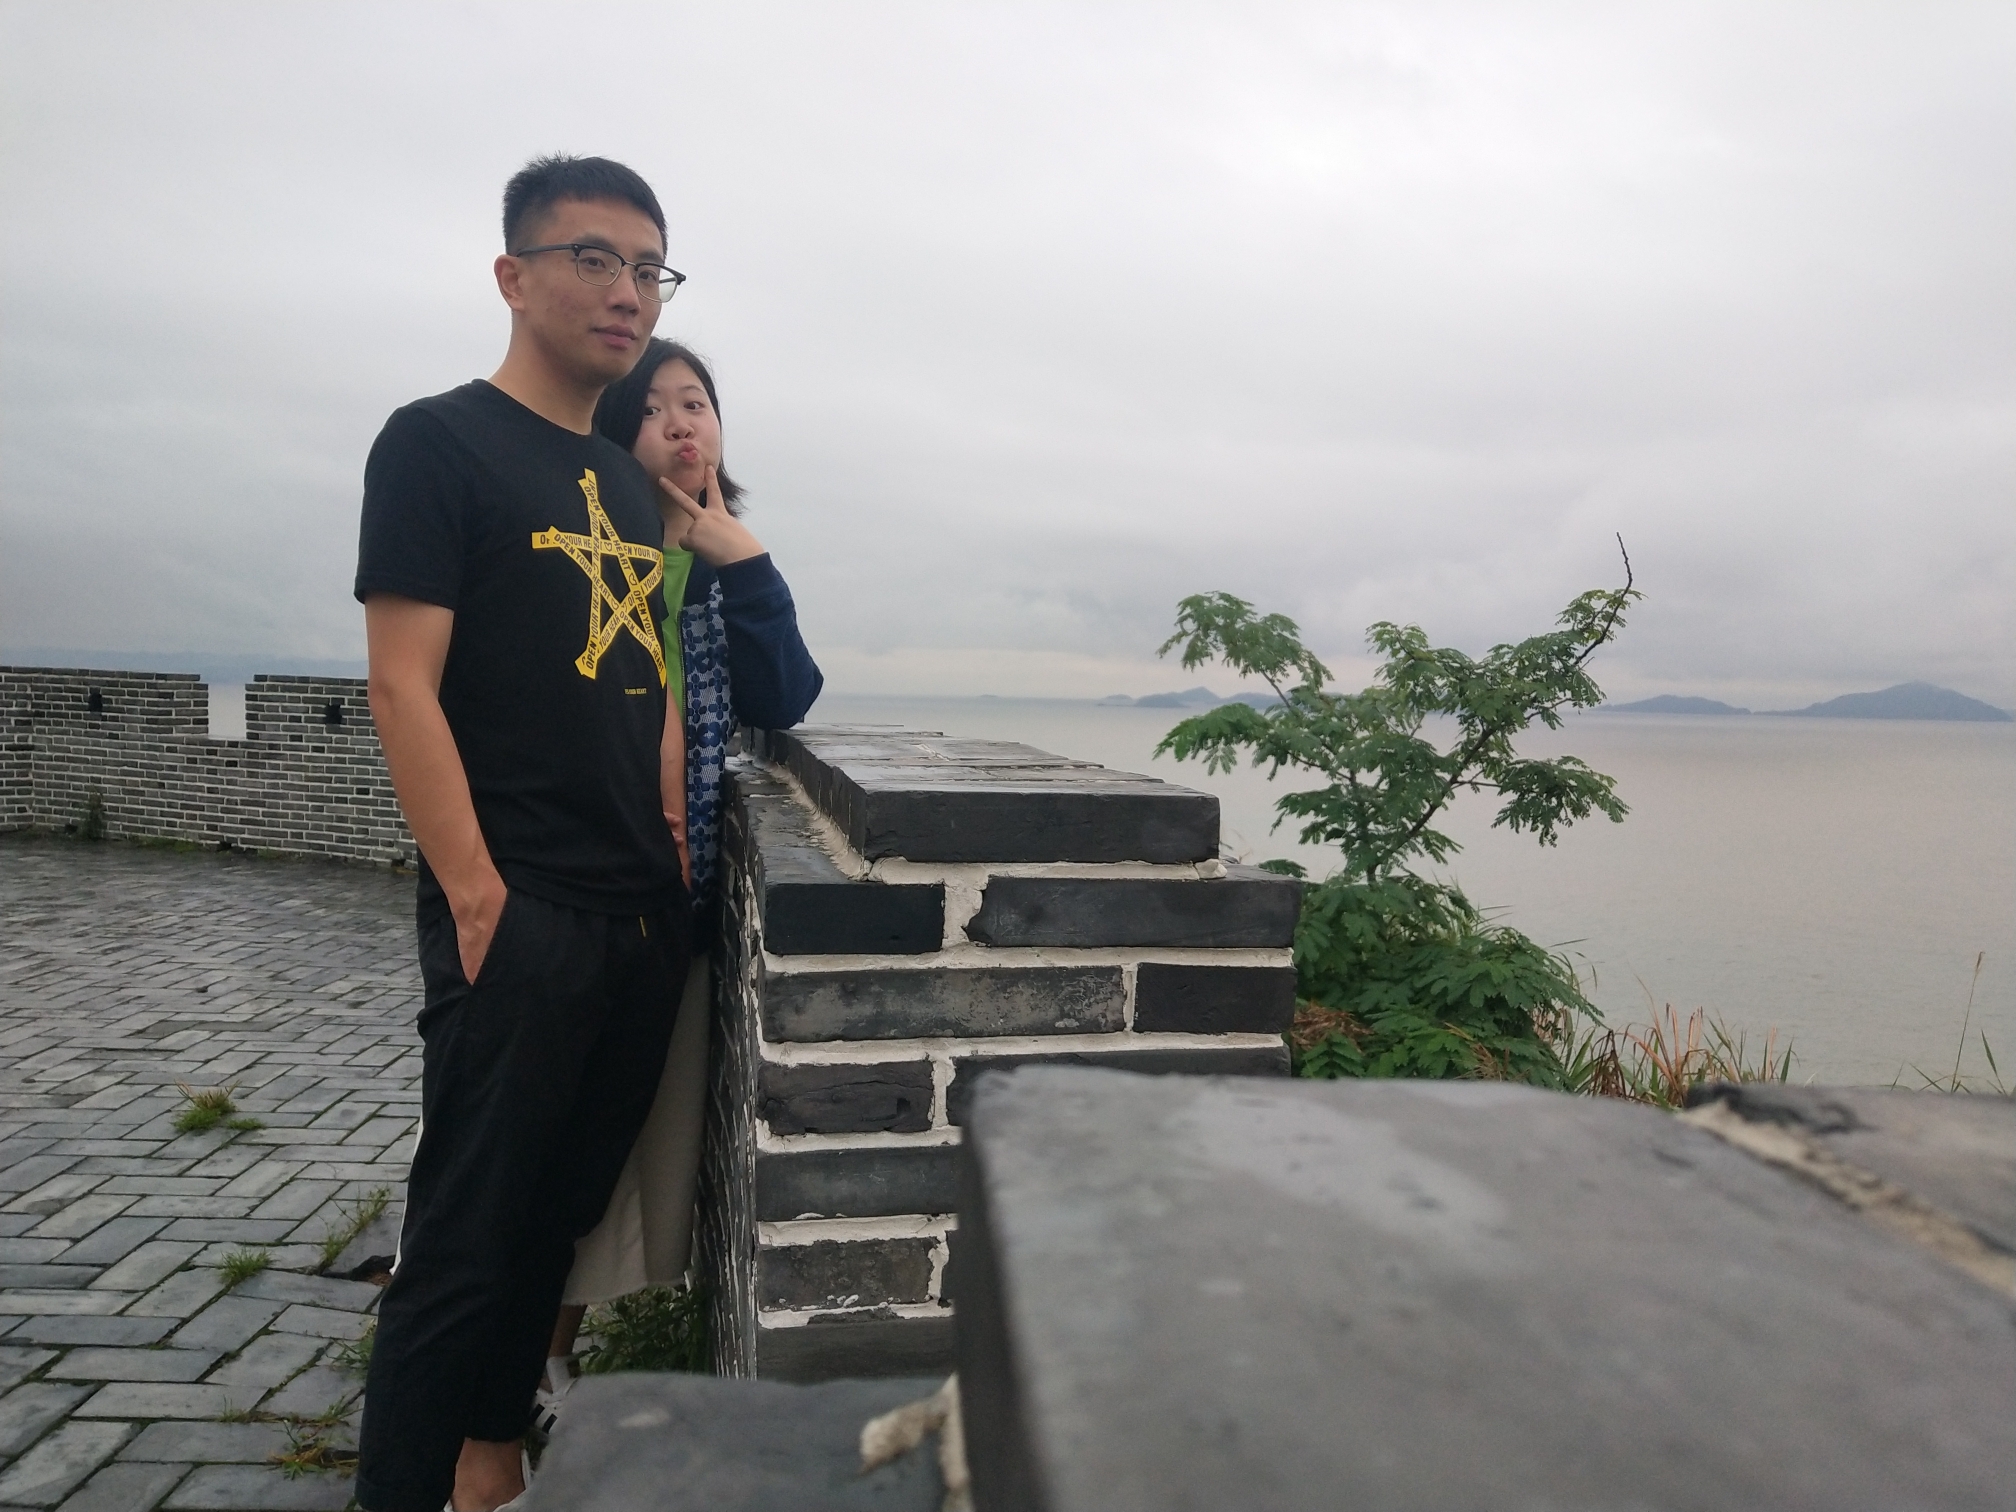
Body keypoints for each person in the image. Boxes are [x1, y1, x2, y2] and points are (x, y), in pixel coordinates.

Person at [353, 155, 692, 1512]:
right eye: (594, 259)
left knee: (552, 1223)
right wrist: (476, 893)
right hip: (523, 907)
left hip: (638, 914)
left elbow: (641, 680)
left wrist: (666, 844)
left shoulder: (619, 480)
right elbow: (401, 684)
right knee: (460, 1245)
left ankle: (487, 1466)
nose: (627, 293)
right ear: (514, 275)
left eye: (649, 270)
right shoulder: (436, 443)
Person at [529, 337, 822, 1431]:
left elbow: (784, 697)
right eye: (652, 409)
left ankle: (543, 1362)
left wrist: (745, 561)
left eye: (695, 402)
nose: (682, 423)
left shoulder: (721, 567)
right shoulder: (584, 555)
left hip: (675, 908)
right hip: (574, 897)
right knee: (553, 1145)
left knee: (613, 1150)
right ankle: (509, 1365)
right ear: (615, 436)